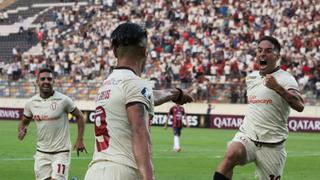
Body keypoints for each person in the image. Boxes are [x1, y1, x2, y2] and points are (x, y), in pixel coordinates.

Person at [84, 22, 193, 180]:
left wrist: (174, 93)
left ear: (114, 52)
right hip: (122, 171)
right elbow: (139, 132)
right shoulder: (135, 84)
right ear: (144, 51)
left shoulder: (108, 84)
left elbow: (147, 95)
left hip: (95, 171)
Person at [213, 36, 305, 180]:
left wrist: (278, 88)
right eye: (260, 50)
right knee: (231, 154)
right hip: (248, 136)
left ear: (277, 56)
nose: (263, 54)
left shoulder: (286, 79)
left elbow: (300, 106)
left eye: (268, 51)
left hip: (272, 145)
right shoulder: (251, 78)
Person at [18, 67, 86, 180]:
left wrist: (80, 140)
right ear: (37, 82)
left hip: (61, 151)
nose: (46, 81)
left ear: (53, 82)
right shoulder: (31, 103)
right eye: (43, 79)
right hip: (42, 152)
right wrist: (22, 129)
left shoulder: (64, 100)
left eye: (49, 79)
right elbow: (24, 121)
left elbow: (80, 117)